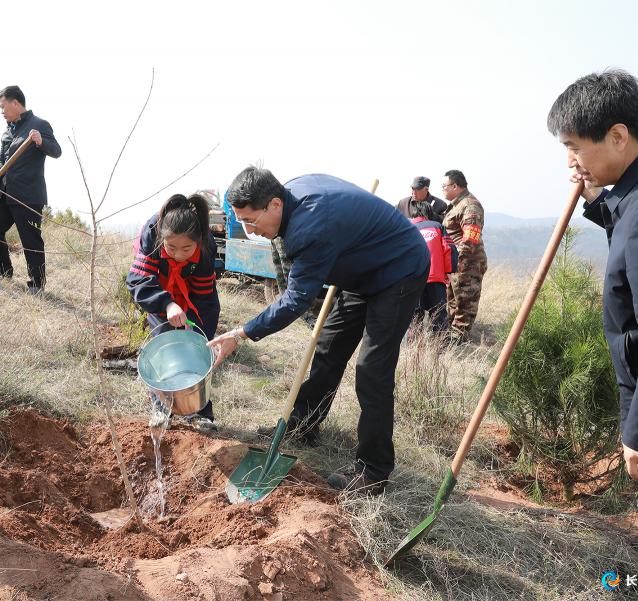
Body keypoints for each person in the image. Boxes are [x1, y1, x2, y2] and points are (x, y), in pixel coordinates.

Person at [549, 69, 638, 600]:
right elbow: (635, 237)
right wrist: (595, 199)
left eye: (573, 146)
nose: (570, 161)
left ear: (617, 135)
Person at [208, 167, 430, 493]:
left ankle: (373, 471)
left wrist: (241, 333)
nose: (248, 230)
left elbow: (296, 300)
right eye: (240, 221)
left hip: (399, 268)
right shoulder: (291, 193)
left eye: (251, 221)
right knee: (329, 345)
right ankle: (305, 422)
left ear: (274, 205)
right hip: (362, 268)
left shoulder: (308, 230)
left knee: (372, 368)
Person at [127, 193, 221, 432]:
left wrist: (200, 333)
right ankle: (161, 408)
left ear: (198, 240)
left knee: (199, 346)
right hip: (158, 289)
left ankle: (200, 412)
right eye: (171, 247)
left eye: (187, 248)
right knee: (164, 344)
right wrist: (167, 304)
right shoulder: (152, 233)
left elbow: (204, 298)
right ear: (161, 238)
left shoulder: (207, 245)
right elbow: (139, 280)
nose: (179, 254)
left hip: (190, 292)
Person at [0, 85, 61, 294]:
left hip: (28, 195)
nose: (2, 111)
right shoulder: (8, 131)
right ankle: (2, 269)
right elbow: (1, 161)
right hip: (5, 193)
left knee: (30, 240)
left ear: (16, 103)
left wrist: (41, 141)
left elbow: (57, 151)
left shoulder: (39, 125)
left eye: (3, 106)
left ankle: (37, 284)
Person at [440, 169, 486, 344]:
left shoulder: (469, 205)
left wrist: (459, 258)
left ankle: (460, 335)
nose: (442, 189)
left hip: (468, 263)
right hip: (456, 261)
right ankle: (451, 332)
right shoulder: (456, 204)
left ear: (455, 186)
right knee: (453, 298)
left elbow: (471, 236)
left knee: (465, 299)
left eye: (444, 186)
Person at [410, 200, 458, 334]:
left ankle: (415, 349)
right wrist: (449, 271)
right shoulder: (437, 226)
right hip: (436, 276)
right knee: (439, 314)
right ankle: (441, 349)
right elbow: (449, 248)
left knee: (415, 315)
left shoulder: (407, 228)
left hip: (413, 279)